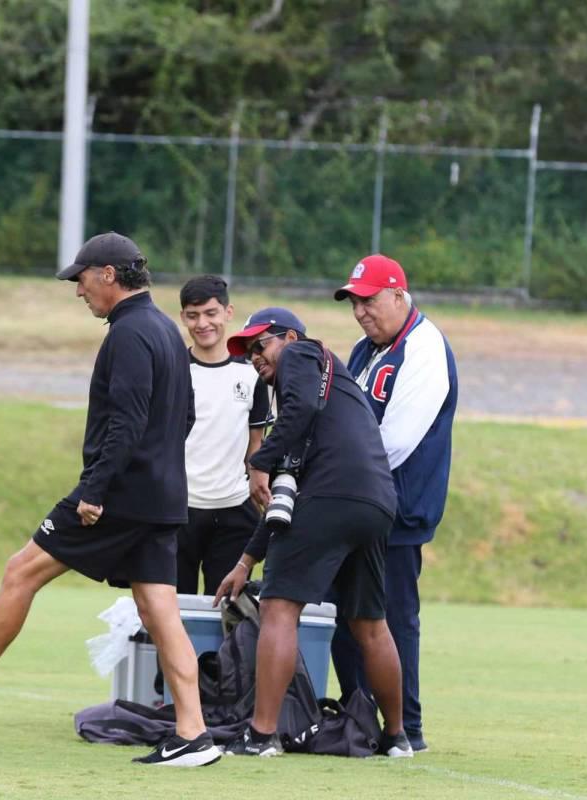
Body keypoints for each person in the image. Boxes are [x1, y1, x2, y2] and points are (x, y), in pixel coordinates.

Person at [0, 232, 221, 768]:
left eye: (82, 278)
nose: (78, 290)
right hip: (163, 497)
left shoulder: (128, 334)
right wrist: (155, 472)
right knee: (160, 611)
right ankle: (193, 733)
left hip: (117, 496)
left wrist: (96, 489)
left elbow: (127, 421)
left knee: (21, 569)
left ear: (109, 275)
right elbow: (183, 418)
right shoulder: (166, 330)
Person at [213, 307, 414, 758]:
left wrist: (258, 461)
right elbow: (284, 507)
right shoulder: (319, 401)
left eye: (260, 345)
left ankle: (261, 736)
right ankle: (397, 737)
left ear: (287, 336)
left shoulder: (302, 355)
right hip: (375, 502)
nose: (255, 358)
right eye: (247, 353)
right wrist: (247, 560)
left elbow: (298, 415)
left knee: (280, 607)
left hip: (332, 495)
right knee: (369, 623)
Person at [329, 254, 458, 754]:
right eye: (354, 302)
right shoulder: (365, 350)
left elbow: (395, 441)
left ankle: (408, 728)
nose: (361, 310)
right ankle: (357, 713)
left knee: (392, 617)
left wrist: (331, 470)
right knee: (344, 613)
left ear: (400, 295)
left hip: (398, 507)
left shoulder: (423, 348)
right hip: (359, 501)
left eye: (370, 299)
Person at [176, 275, 270, 594]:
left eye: (211, 313)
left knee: (226, 615)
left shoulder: (252, 373)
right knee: (173, 616)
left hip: (234, 513)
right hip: (178, 511)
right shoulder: (172, 368)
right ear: (183, 318)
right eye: (193, 315)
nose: (203, 323)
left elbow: (255, 449)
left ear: (228, 313)